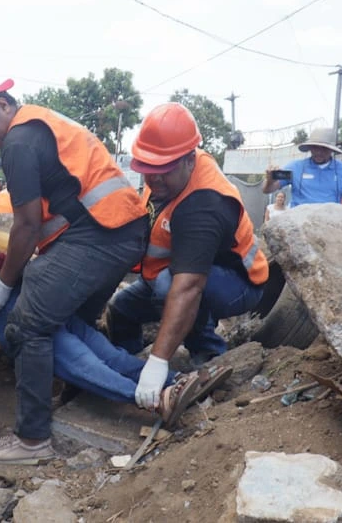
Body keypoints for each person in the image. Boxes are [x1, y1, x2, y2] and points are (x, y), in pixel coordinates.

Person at [0, 70, 148, 464]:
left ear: (3, 104)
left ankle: (33, 439)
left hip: (98, 235)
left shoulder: (19, 141)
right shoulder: (42, 122)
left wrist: (4, 283)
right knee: (76, 325)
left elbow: (27, 224)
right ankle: (162, 384)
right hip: (120, 231)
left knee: (28, 326)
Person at [0, 187, 232, 420]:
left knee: (109, 354)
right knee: (79, 360)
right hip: (14, 305)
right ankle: (155, 400)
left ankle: (178, 380)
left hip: (43, 297)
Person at [104, 102, 269, 412]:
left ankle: (208, 354)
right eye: (148, 172)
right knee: (121, 309)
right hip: (177, 271)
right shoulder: (168, 172)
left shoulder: (204, 203)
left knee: (170, 289)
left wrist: (158, 362)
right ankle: (129, 368)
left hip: (237, 284)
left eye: (162, 173)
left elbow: (189, 286)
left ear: (189, 160)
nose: (153, 182)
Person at [262, 127, 342, 207]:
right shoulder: (295, 168)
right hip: (299, 223)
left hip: (329, 224)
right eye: (315, 147)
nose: (319, 152)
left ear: (331, 150)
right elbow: (267, 189)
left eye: (324, 149)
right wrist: (270, 180)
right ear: (310, 147)